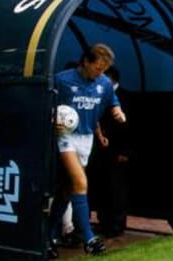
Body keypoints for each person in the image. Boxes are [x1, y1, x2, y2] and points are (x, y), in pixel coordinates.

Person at [48, 44, 126, 257]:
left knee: (66, 190)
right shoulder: (62, 80)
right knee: (81, 183)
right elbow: (45, 103)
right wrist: (52, 118)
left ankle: (49, 235)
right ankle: (89, 238)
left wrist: (117, 111)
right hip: (65, 137)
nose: (100, 73)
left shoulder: (104, 83)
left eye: (104, 69)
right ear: (85, 62)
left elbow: (112, 101)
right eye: (98, 68)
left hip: (86, 138)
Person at [91, 66, 132, 238]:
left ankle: (117, 224)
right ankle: (104, 222)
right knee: (103, 186)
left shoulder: (126, 97)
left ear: (112, 79)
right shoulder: (100, 96)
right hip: (101, 151)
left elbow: (131, 127)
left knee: (117, 188)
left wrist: (125, 151)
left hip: (118, 152)